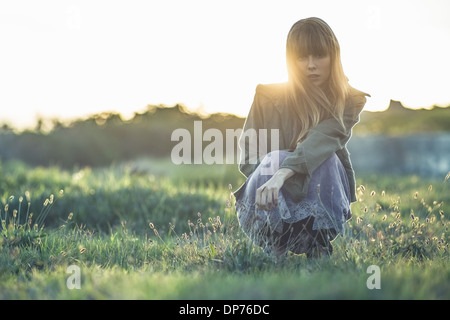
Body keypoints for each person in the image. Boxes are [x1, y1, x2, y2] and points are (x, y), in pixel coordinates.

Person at [234, 17, 370, 259]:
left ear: (334, 57)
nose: (310, 65)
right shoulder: (267, 97)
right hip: (271, 201)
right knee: (273, 159)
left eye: (319, 55)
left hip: (321, 193)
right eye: (301, 57)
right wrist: (276, 176)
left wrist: (283, 173)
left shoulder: (349, 101)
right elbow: (249, 158)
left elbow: (321, 140)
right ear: (290, 60)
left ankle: (318, 248)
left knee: (326, 159)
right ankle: (276, 248)